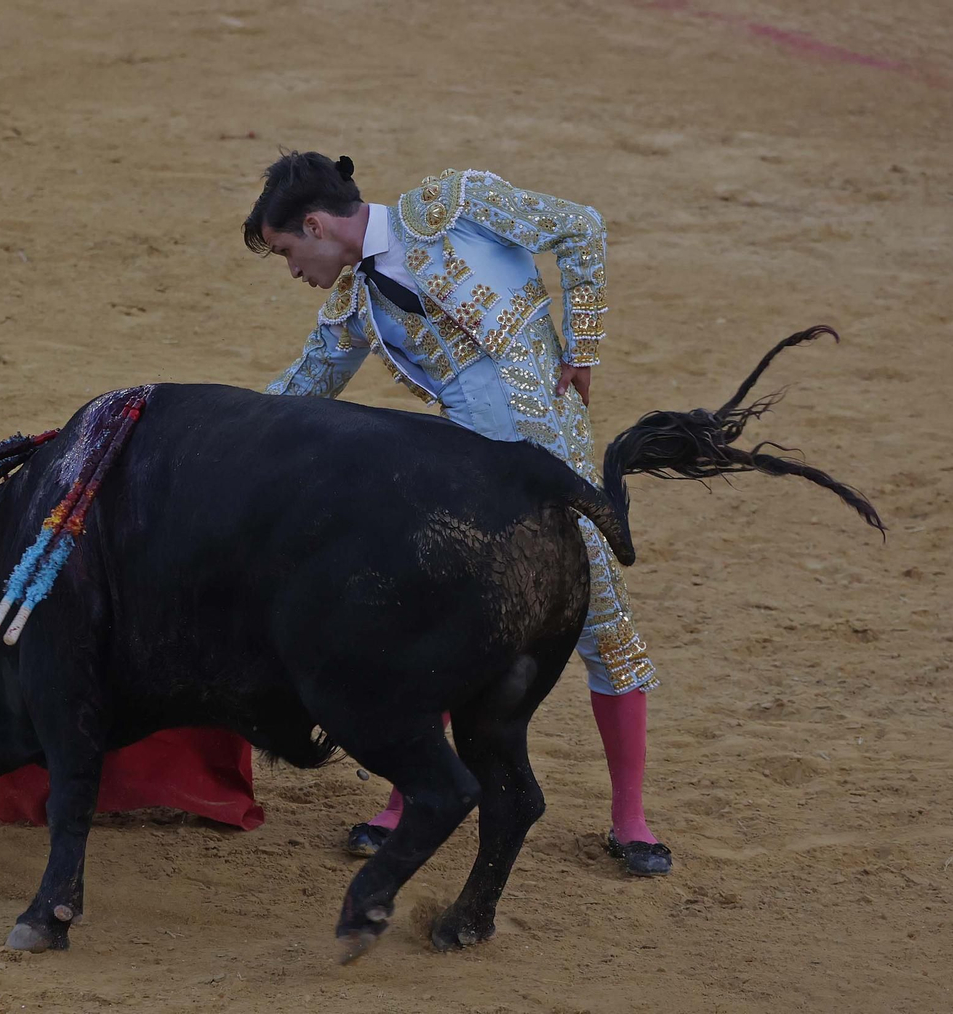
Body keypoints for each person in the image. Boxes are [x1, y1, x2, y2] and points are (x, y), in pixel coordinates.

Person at [243, 152, 671, 876]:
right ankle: (406, 800)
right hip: (464, 488)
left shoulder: (456, 204)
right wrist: (209, 430)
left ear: (314, 225)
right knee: (430, 630)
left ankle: (629, 818)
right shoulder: (353, 308)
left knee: (607, 631)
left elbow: (580, 228)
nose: (292, 270)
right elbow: (296, 393)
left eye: (287, 251)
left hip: (553, 470)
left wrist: (584, 347)